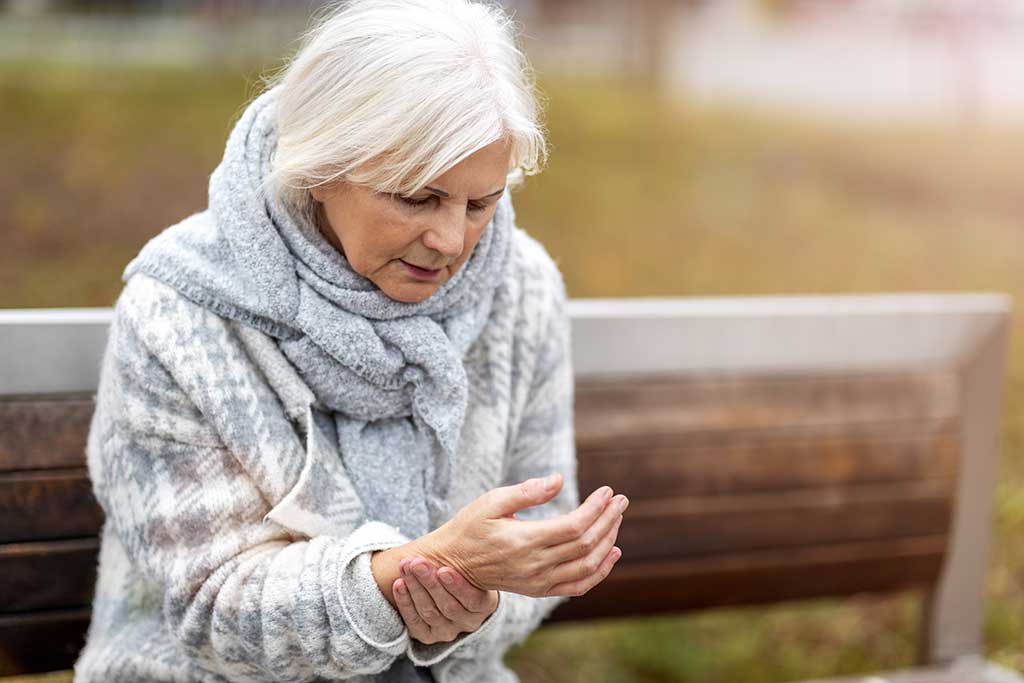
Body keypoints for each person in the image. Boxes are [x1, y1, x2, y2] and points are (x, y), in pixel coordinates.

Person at [73, 0, 628, 681]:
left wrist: (469, 599)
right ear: (319, 166)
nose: (451, 240)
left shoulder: (522, 289)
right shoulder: (179, 314)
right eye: (417, 197)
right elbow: (215, 612)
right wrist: (407, 577)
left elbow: (540, 537)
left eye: (479, 203)